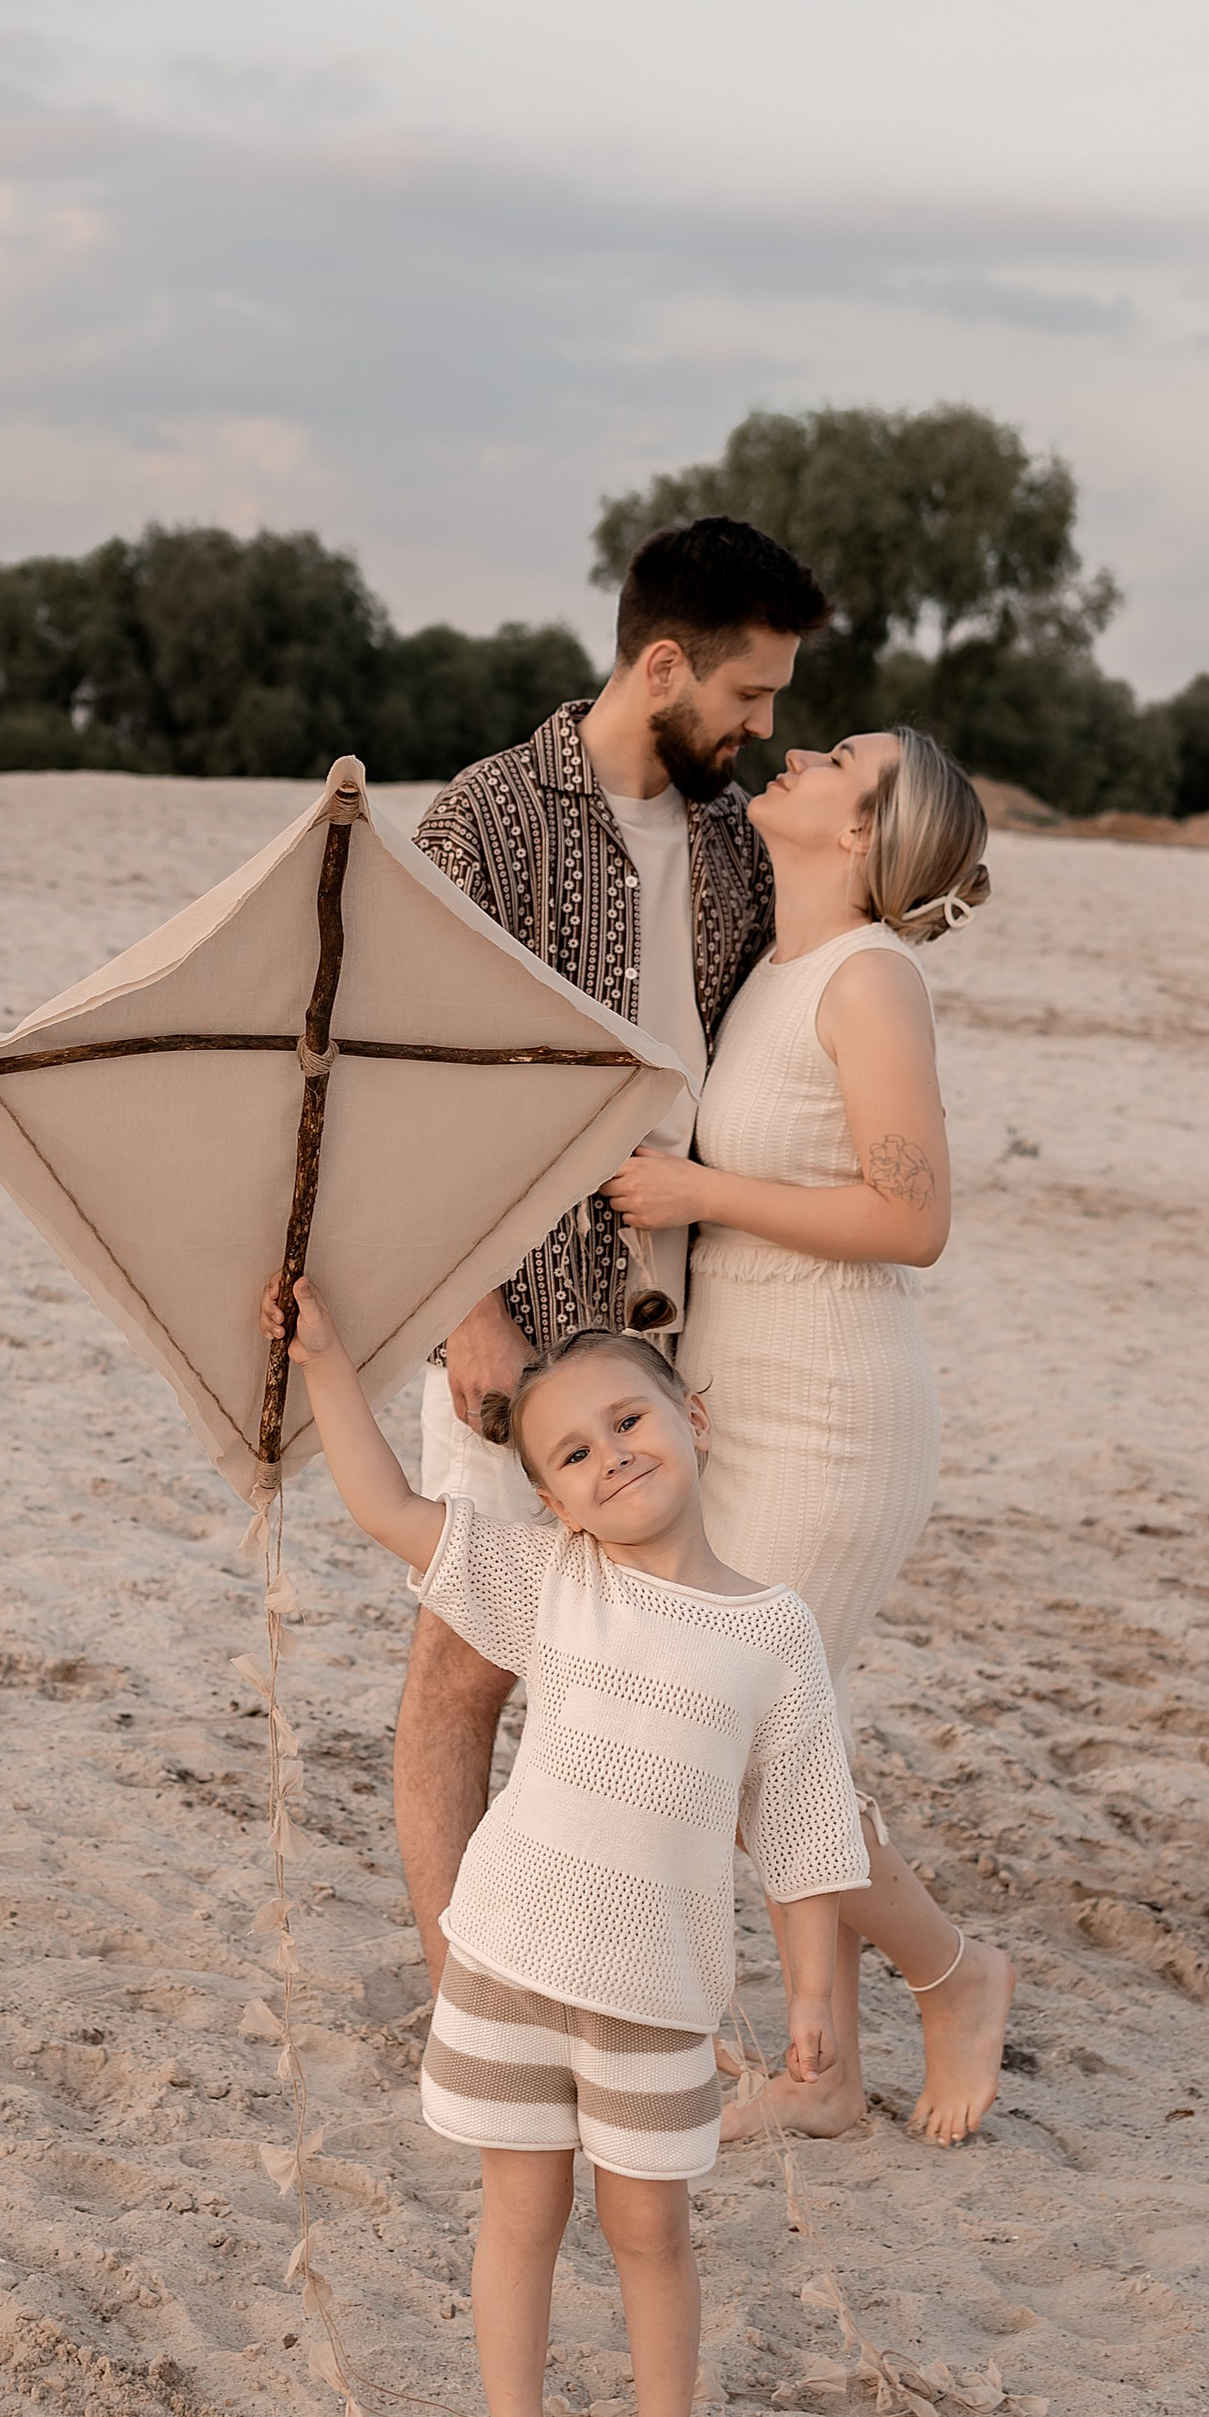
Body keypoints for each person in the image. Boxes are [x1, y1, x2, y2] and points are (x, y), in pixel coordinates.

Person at [261, 1277, 869, 2417]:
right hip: (511, 1963)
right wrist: (327, 1362)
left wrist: (814, 1994)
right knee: (521, 2216)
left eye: (629, 1423)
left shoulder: (774, 1634)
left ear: (696, 1419)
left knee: (651, 2234)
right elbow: (387, 1508)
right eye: (575, 1455)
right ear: (551, 1502)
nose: (612, 1459)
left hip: (656, 1990)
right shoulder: (551, 1583)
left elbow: (808, 1827)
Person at [401, 513, 832, 1985]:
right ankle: (462, 1997)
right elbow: (414, 1089)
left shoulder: (734, 842)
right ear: (663, 668)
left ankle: (568, 1967)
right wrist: (467, 1316)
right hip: (514, 1322)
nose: (764, 727)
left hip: (676, 1336)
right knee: (467, 1666)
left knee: (631, 1673)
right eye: (748, 694)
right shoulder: (486, 821)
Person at [605, 726, 1015, 2145]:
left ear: (863, 833)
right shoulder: (777, 972)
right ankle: (823, 2069)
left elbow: (915, 1218)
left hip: (836, 1414)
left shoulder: (871, 978)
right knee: (779, 1746)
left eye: (840, 758)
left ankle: (953, 1975)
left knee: (747, 1743)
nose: (796, 750)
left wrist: (700, 1193)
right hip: (742, 1395)